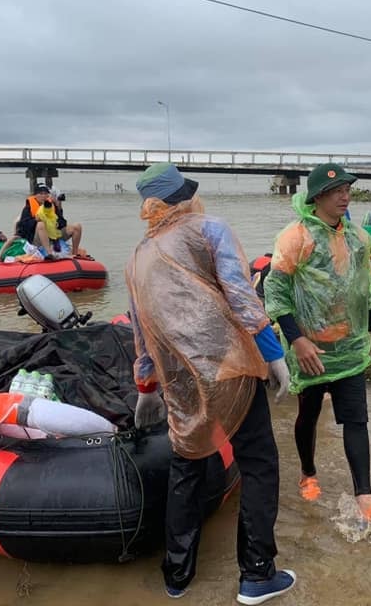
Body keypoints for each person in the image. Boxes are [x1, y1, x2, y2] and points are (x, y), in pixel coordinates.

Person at [125, 163, 296, 603]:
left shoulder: (137, 257)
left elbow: (141, 333)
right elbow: (240, 296)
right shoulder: (210, 229)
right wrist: (275, 355)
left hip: (181, 383)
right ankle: (257, 574)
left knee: (186, 469)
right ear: (183, 197)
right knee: (258, 463)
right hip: (230, 369)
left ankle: (177, 576)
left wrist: (147, 388)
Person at [263, 162, 371, 527]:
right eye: (336, 191)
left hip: (349, 345)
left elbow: (362, 291)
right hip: (310, 348)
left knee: (356, 419)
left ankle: (366, 499)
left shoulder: (357, 238)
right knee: (308, 415)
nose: (345, 196)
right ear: (317, 197)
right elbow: (276, 293)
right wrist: (296, 339)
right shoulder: (295, 238)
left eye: (347, 189)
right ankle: (308, 472)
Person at [5, 185, 83, 259]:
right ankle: (49, 254)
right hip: (36, 237)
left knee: (77, 226)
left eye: (45, 193)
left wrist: (57, 223)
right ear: (35, 195)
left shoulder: (51, 205)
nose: (43, 196)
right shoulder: (28, 208)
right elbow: (23, 225)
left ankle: (74, 253)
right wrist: (35, 220)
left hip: (53, 234)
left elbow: (63, 222)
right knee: (41, 224)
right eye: (41, 194)